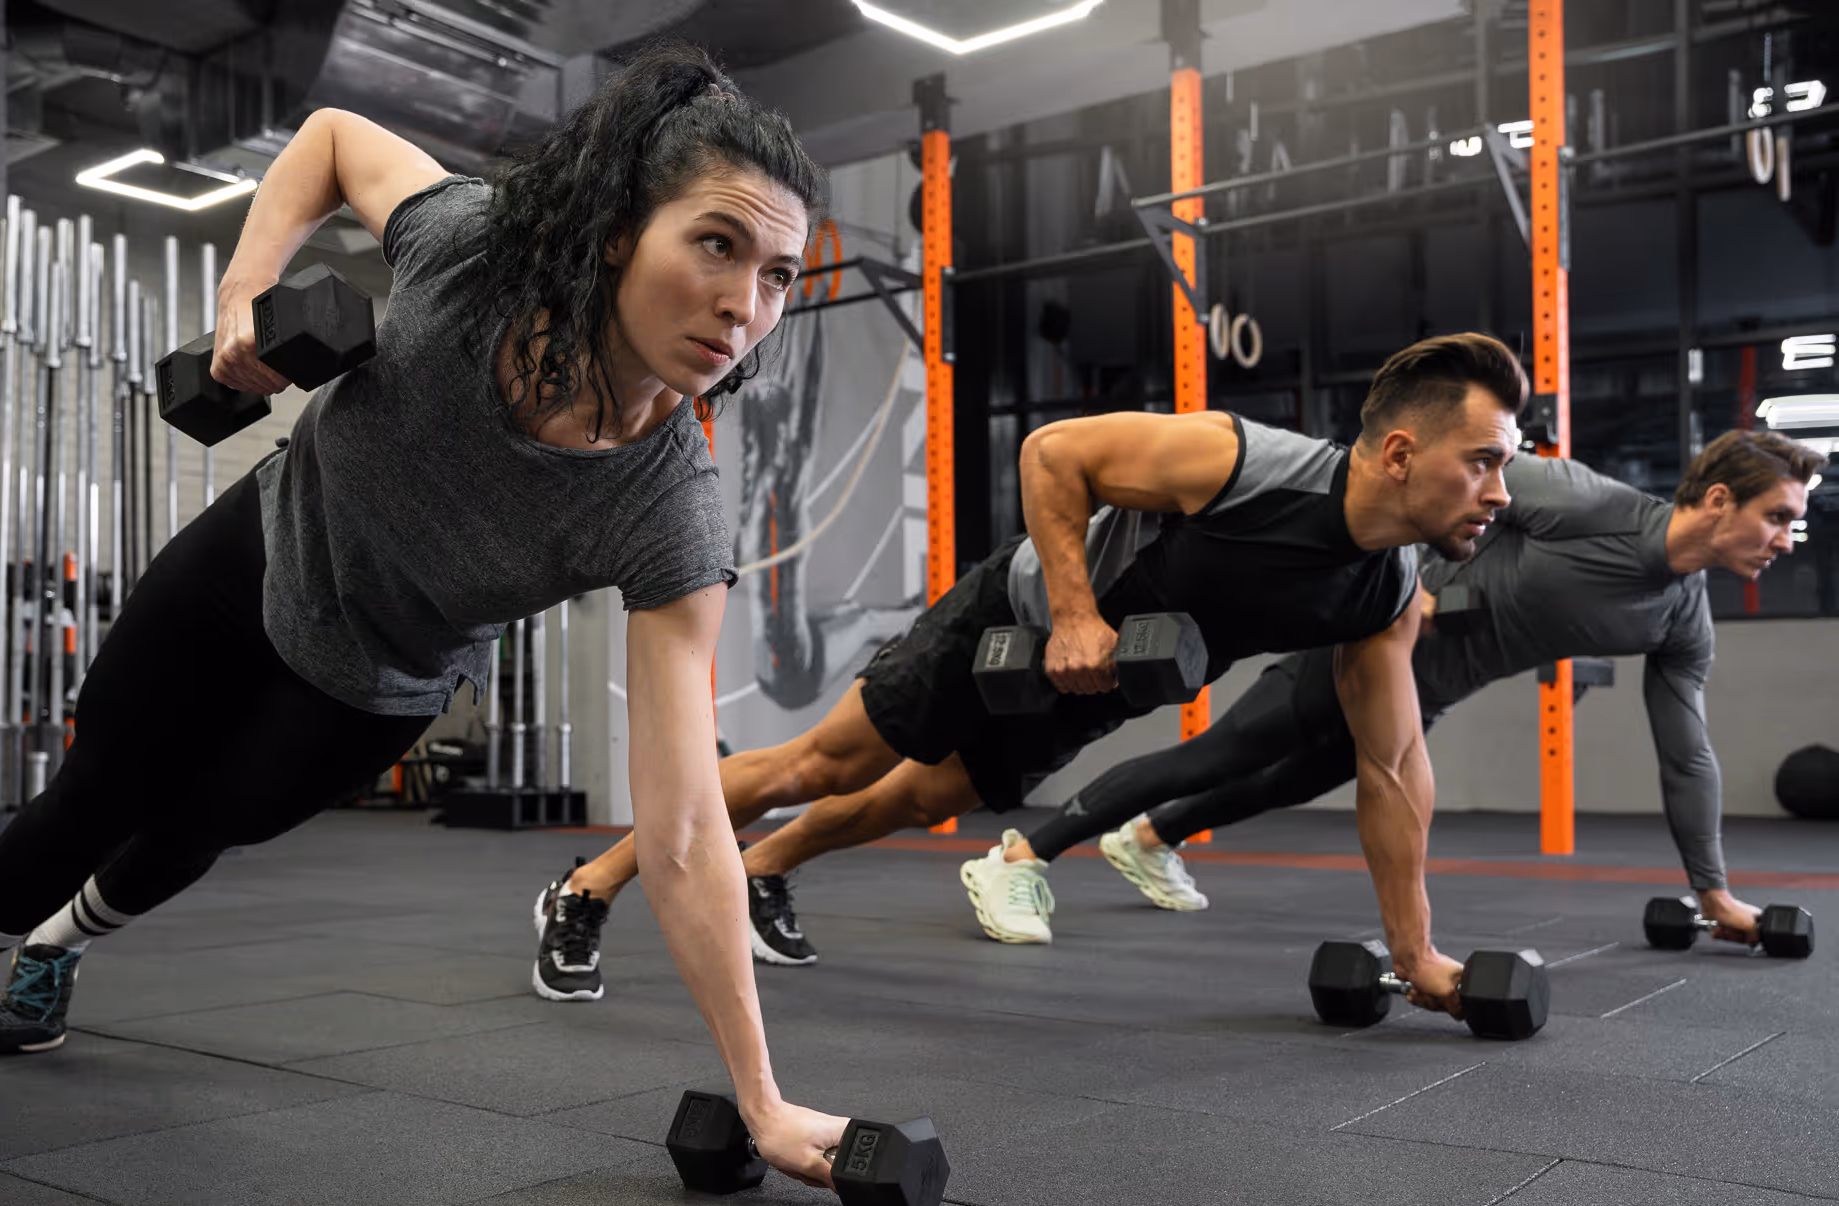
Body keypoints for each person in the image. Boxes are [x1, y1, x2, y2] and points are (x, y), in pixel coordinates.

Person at [0, 45, 851, 1186]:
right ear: (619, 231)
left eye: (777, 275)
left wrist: (761, 1094)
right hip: (255, 550)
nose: (741, 304)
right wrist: (240, 297)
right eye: (716, 242)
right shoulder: (469, 249)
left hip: (373, 680)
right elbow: (328, 139)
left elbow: (690, 826)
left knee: (203, 821)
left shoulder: (667, 514)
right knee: (99, 784)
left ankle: (58, 946)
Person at [535, 333, 1526, 1019]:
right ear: (1401, 451)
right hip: (1010, 619)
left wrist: (1416, 951)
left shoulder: (1383, 598)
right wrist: (1075, 612)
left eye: (1506, 468)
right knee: (823, 764)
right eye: (1483, 461)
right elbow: (1058, 452)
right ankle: (586, 887)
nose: (1501, 491)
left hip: (1090, 687)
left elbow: (1392, 770)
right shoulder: (1243, 462)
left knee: (914, 801)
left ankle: (763, 870)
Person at [1049, 427, 1824, 940]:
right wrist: (1406, 574)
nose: (1787, 541)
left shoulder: (1682, 620)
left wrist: (1714, 891)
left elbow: (1686, 757)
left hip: (1432, 691)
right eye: (1779, 517)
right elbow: (1448, 477)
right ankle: (1024, 855)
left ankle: (1150, 838)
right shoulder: (1593, 503)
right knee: (1224, 754)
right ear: (1719, 500)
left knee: (1293, 781)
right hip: (1366, 644)